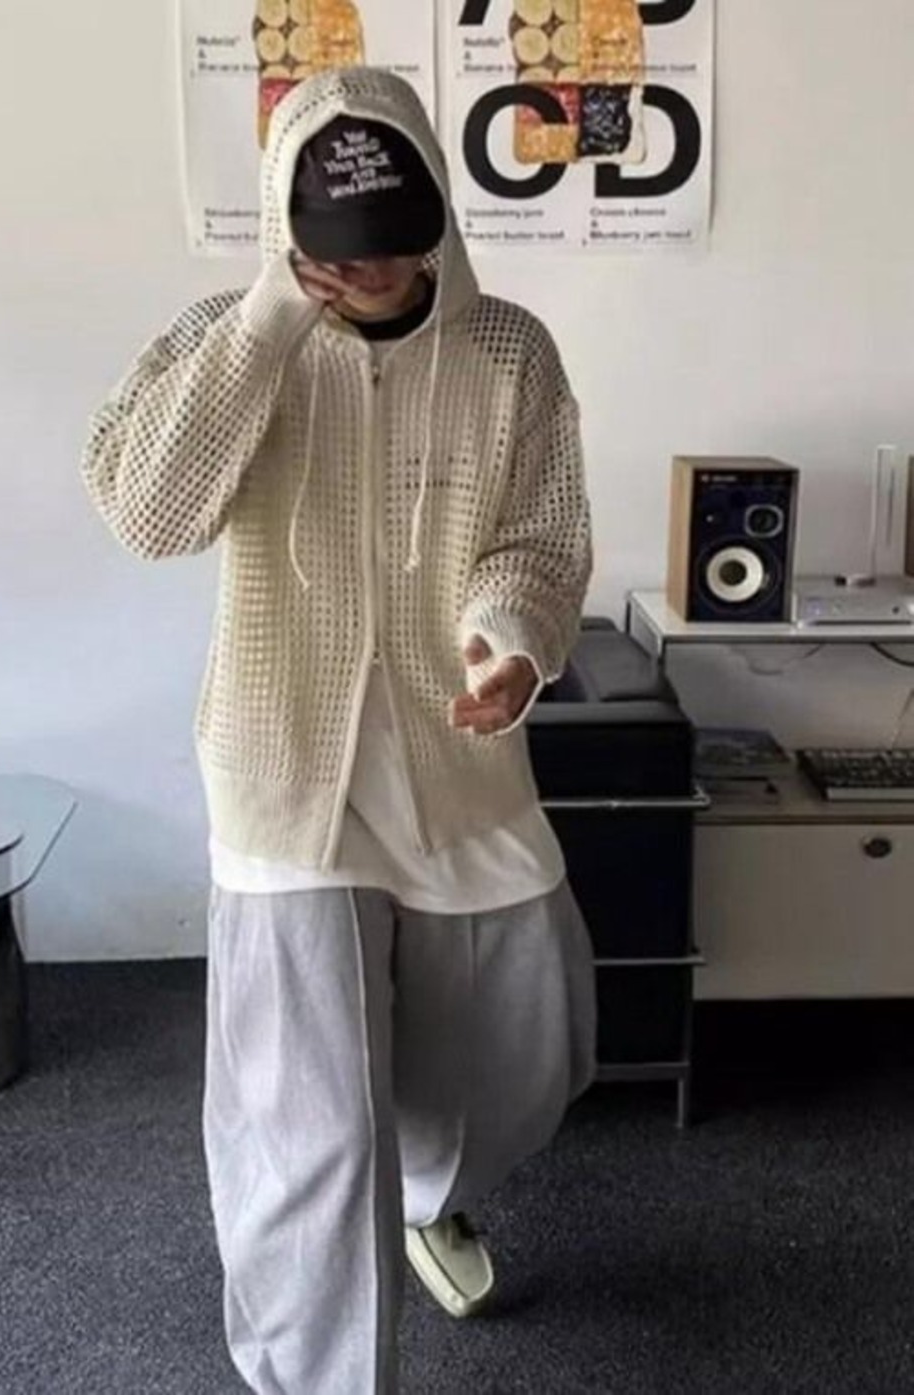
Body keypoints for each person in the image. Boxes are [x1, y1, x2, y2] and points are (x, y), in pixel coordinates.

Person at [83, 65, 596, 1395]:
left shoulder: (509, 352)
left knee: (527, 1056)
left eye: (395, 245)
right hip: (283, 773)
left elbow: (539, 538)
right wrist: (267, 320)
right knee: (309, 1134)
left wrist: (512, 640)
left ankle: (426, 1192)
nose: (368, 275)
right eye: (336, 250)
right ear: (286, 225)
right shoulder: (226, 335)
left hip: (457, 762)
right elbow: (146, 512)